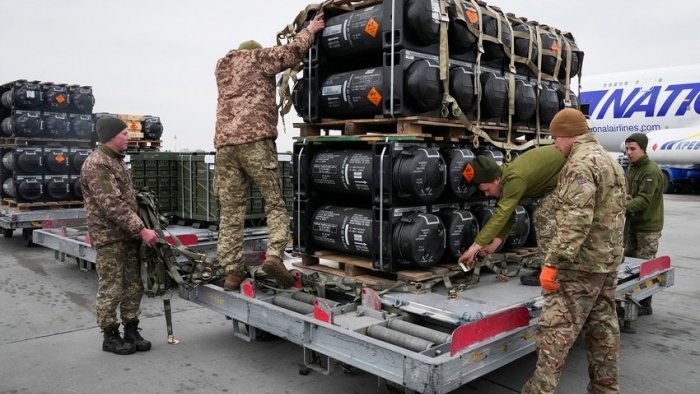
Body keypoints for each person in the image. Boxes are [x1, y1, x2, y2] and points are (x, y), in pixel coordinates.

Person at [213, 13, 325, 291]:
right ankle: (275, 255)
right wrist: (310, 30)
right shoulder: (258, 58)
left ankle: (232, 272)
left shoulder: (222, 67)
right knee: (274, 202)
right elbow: (290, 53)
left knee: (230, 212)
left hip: (225, 147)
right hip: (255, 142)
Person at [521, 108, 627, 394]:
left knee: (555, 331)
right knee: (603, 329)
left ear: (568, 135)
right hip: (607, 262)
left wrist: (553, 261)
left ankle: (539, 391)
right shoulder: (610, 160)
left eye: (556, 138)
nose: (555, 144)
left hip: (579, 266)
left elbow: (576, 219)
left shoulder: (580, 163)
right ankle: (605, 389)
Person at [81, 116, 159, 355]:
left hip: (127, 236)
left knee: (133, 286)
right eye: (125, 133)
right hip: (110, 237)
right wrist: (141, 229)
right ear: (111, 136)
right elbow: (112, 204)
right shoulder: (98, 165)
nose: (129, 137)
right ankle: (110, 334)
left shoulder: (115, 162)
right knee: (112, 287)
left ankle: (131, 328)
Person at [457, 146, 566, 287]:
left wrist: (473, 248)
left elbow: (501, 215)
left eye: (487, 190)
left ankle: (551, 272)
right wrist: (493, 245)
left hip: (572, 173)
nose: (487, 194)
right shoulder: (505, 178)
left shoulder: (514, 179)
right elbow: (509, 215)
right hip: (560, 179)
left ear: (496, 180)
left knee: (543, 216)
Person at [624, 132, 664, 319]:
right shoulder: (633, 168)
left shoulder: (650, 171)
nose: (629, 153)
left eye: (633, 149)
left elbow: (643, 200)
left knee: (645, 267)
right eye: (627, 149)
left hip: (647, 227)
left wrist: (619, 207)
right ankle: (632, 300)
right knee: (630, 264)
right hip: (633, 224)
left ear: (643, 149)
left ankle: (645, 304)